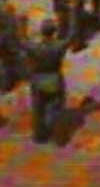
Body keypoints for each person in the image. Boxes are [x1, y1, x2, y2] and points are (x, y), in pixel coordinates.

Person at [24, 17, 70, 145]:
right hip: (54, 78)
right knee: (56, 109)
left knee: (38, 109)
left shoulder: (34, 47)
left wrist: (22, 24)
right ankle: (59, 137)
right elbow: (71, 36)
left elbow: (23, 42)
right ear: (54, 32)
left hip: (38, 80)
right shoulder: (59, 46)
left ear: (42, 32)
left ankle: (39, 136)